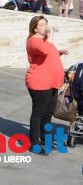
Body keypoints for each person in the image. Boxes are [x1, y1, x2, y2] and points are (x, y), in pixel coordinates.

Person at [25, 15, 68, 156]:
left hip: (51, 82)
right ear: (35, 27)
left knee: (48, 113)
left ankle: (45, 138)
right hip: (39, 82)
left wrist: (59, 52)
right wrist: (51, 35)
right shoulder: (33, 40)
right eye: (42, 24)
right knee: (38, 113)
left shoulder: (44, 40)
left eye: (46, 24)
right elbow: (44, 50)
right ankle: (35, 143)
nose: (45, 27)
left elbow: (49, 53)